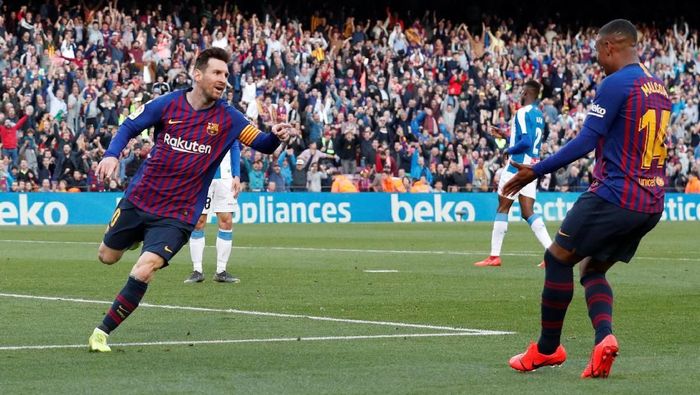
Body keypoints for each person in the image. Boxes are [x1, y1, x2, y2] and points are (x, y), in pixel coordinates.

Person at [88, 47, 293, 352]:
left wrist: (276, 135)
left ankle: (101, 332)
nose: (223, 79)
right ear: (197, 75)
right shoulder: (167, 104)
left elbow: (262, 143)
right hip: (141, 197)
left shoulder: (230, 118)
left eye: (226, 74)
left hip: (179, 213)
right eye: (216, 73)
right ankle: (133, 238)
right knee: (107, 256)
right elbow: (130, 125)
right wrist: (111, 155)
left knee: (145, 269)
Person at [504, 20, 672, 378]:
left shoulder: (615, 84)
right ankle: (603, 340)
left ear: (611, 46)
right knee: (592, 268)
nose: (596, 59)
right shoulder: (659, 88)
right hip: (651, 202)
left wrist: (536, 169)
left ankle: (548, 349)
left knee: (557, 259)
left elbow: (584, 142)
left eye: (597, 51)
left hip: (614, 195)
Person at [473, 80, 551, 268]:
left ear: (525, 92)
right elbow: (531, 141)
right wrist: (507, 136)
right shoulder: (538, 114)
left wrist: (509, 149)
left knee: (503, 207)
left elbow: (525, 141)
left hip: (517, 165)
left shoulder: (522, 112)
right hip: (532, 166)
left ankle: (494, 256)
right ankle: (553, 253)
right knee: (527, 211)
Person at [184, 141, 242, 284]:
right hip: (202, 176)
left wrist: (237, 175)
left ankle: (221, 271)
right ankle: (197, 270)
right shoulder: (198, 120)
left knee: (226, 221)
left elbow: (234, 145)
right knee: (198, 222)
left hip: (226, 179)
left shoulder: (230, 119)